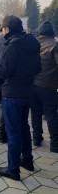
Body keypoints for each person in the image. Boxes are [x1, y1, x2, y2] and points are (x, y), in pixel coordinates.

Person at [0, 15, 41, 181]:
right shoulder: (34, 44)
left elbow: (4, 72)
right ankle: (27, 160)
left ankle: (13, 169)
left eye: (4, 29)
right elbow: (38, 68)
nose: (3, 31)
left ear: (7, 30)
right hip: (27, 92)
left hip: (12, 95)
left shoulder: (13, 47)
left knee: (14, 132)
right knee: (23, 127)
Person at [30, 21, 58, 153]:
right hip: (49, 85)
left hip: (32, 85)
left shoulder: (32, 44)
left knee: (35, 112)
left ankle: (36, 138)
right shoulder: (55, 45)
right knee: (51, 114)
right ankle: (55, 144)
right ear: (52, 33)